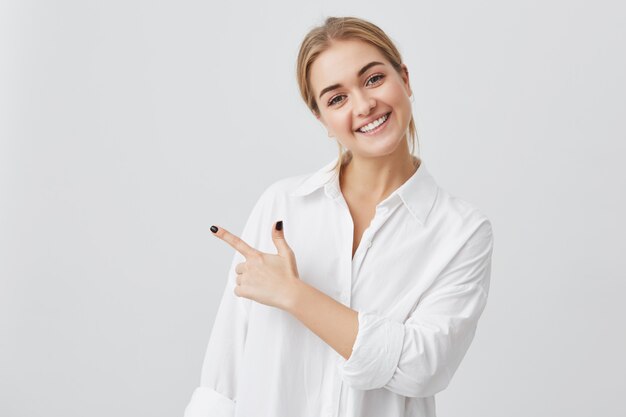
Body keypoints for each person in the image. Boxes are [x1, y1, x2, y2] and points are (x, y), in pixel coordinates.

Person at [184, 16, 494, 417]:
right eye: (336, 98)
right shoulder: (281, 205)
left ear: (405, 78)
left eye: (373, 79)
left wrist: (295, 295)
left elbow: (422, 367)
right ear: (322, 120)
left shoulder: (461, 231)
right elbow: (222, 382)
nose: (364, 106)